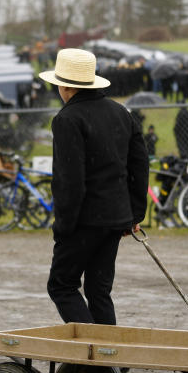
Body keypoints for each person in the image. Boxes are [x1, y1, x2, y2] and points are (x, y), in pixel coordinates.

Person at [38, 48, 149, 326]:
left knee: (61, 285)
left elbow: (69, 180)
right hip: (116, 219)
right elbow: (139, 166)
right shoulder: (121, 113)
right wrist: (135, 215)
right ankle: (110, 360)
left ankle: (94, 355)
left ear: (64, 86)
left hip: (84, 220)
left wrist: (63, 226)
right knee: (99, 290)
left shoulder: (67, 119)